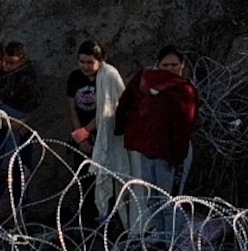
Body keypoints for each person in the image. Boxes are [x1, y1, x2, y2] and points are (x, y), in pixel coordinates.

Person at [0, 39, 48, 220]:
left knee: (22, 175)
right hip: (0, 136)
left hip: (23, 133)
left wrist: (25, 122)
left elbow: (35, 104)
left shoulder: (19, 76)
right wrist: (17, 124)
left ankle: (21, 217)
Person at [118, 46, 199, 200]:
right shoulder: (145, 81)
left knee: (169, 203)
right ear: (158, 64)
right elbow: (126, 103)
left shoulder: (185, 90)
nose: (170, 69)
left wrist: (177, 160)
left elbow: (186, 125)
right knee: (152, 202)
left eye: (174, 65)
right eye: (165, 65)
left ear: (182, 65)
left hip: (173, 155)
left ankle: (172, 226)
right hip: (149, 152)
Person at [66, 42, 128, 220]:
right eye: (82, 61)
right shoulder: (75, 77)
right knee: (84, 182)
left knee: (107, 179)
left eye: (90, 62)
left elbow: (108, 110)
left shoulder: (108, 77)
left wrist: (87, 131)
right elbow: (72, 107)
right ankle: (87, 220)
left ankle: (110, 220)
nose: (85, 66)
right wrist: (80, 135)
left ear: (100, 61)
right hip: (81, 139)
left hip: (104, 136)